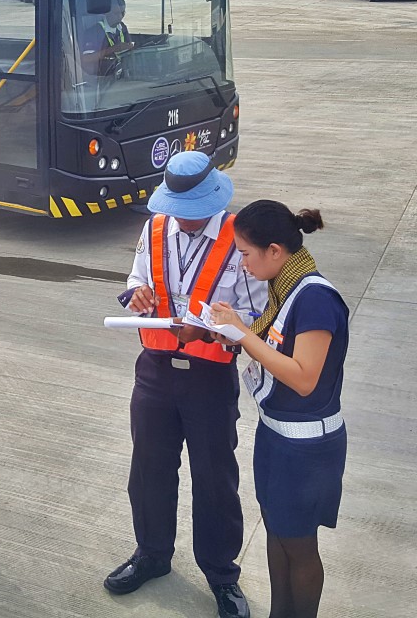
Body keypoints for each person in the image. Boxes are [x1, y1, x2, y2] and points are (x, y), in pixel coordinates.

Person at [106, 151, 266, 618]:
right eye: (180, 211)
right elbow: (136, 279)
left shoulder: (240, 240)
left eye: (194, 212)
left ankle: (221, 574)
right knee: (149, 469)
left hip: (210, 376)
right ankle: (152, 554)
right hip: (154, 369)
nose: (186, 221)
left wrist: (212, 330)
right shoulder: (155, 228)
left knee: (215, 479)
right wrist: (136, 296)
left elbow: (255, 315)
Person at [208, 201, 348, 618]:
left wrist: (242, 335)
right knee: (277, 534)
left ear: (274, 251)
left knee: (300, 544)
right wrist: (238, 336)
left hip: (306, 447)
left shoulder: (314, 298)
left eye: (246, 254)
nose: (243, 264)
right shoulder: (284, 289)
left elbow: (304, 377)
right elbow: (275, 349)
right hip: (276, 434)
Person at [82, 0, 135, 76]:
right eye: (116, 13)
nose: (120, 16)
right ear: (107, 13)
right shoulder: (94, 31)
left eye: (123, 13)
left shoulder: (122, 27)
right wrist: (113, 49)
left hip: (121, 74)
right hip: (102, 77)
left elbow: (129, 47)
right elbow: (86, 59)